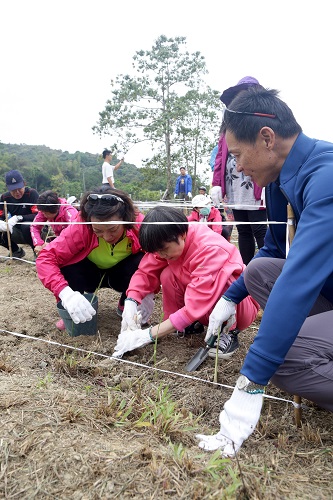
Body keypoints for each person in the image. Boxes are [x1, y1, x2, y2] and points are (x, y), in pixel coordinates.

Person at [196, 86, 333, 459]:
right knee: (258, 270)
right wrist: (230, 297)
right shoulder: (279, 180)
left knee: (284, 360)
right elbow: (273, 252)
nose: (237, 166)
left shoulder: (326, 177)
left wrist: (251, 379)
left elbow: (300, 277)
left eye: (238, 154)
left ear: (267, 138)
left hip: (320, 287)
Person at [112, 206, 259, 358]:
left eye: (164, 249)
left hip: (238, 308)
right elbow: (146, 272)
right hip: (202, 309)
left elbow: (196, 303)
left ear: (182, 235)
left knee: (223, 280)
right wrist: (131, 301)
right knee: (168, 274)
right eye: (156, 251)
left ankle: (226, 332)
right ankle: (185, 325)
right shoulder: (167, 243)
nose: (161, 255)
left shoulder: (208, 249)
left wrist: (147, 335)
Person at [35, 188, 146, 330]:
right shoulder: (81, 226)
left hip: (122, 274)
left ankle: (126, 303)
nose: (106, 237)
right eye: (98, 231)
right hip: (89, 274)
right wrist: (65, 293)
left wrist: (141, 295)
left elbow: (157, 257)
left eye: (113, 229)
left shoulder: (139, 225)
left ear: (125, 219)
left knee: (143, 260)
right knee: (66, 265)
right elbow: (46, 257)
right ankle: (73, 307)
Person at [210, 77, 267, 265]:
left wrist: (268, 181)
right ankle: (246, 269)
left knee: (259, 229)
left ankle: (266, 268)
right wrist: (217, 184)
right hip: (234, 183)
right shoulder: (227, 126)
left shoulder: (262, 121)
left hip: (256, 182)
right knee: (243, 229)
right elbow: (220, 157)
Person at [0, 169, 39, 258]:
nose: (17, 192)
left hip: (35, 229)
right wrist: (1, 222)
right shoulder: (4, 197)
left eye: (19, 188)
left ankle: (36, 252)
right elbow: (1, 215)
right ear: (8, 187)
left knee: (26, 226)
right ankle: (16, 251)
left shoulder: (31, 193)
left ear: (24, 184)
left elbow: (38, 216)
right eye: (13, 190)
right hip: (16, 229)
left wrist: (20, 217)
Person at [30, 191, 79, 256]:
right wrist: (38, 244)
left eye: (46, 213)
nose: (43, 215)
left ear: (55, 210)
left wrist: (53, 245)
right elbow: (34, 226)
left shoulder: (69, 212)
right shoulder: (46, 209)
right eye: (42, 212)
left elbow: (74, 234)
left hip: (73, 243)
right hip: (60, 240)